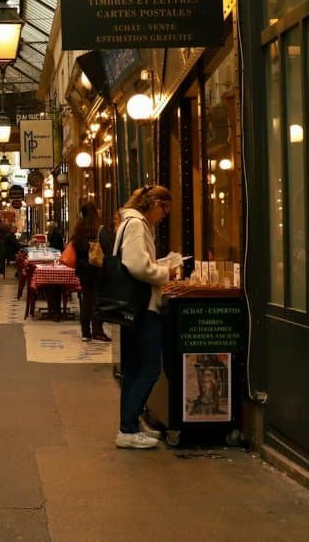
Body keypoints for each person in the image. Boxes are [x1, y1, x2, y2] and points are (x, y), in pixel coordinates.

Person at [110, 185, 180, 450]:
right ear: (154, 203)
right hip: (142, 307)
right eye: (165, 209)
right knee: (150, 367)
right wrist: (165, 273)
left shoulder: (128, 222)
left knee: (133, 368)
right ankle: (127, 428)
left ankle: (130, 424)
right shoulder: (137, 224)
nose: (164, 216)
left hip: (133, 306)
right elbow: (137, 265)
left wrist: (159, 264)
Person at [71, 202, 108, 343]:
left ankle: (85, 332)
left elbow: (75, 247)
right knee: (98, 300)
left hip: (83, 270)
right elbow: (107, 248)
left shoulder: (79, 230)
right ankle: (97, 331)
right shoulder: (99, 229)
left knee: (86, 300)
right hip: (98, 269)